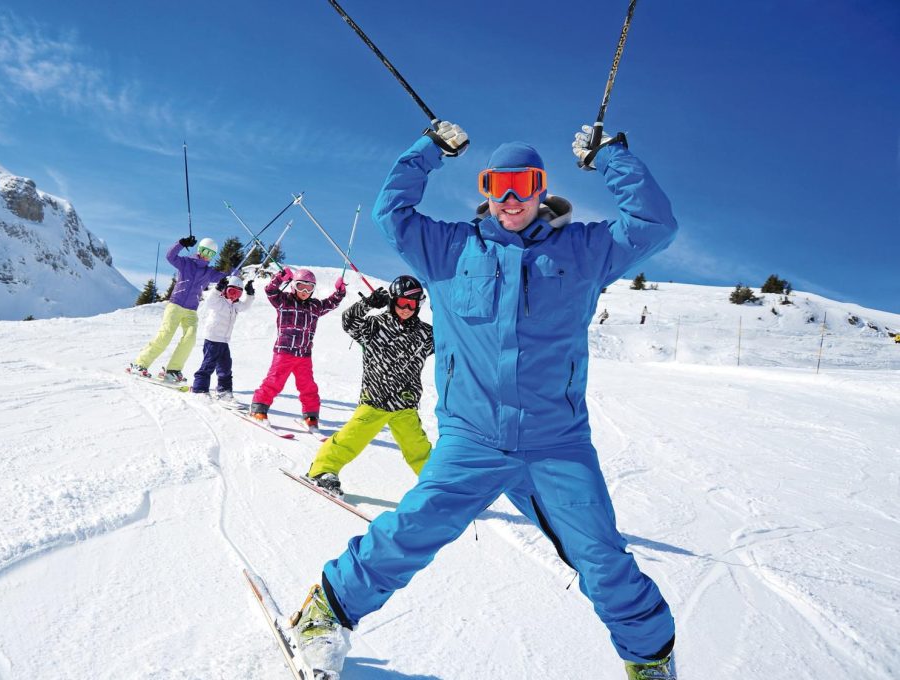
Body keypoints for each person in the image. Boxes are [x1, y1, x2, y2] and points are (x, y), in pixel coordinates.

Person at [287, 121, 680, 680]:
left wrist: (612, 157)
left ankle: (650, 661)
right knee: (413, 529)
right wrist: (427, 151)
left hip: (557, 443)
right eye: (500, 184)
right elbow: (390, 214)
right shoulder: (449, 248)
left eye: (525, 183)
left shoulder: (585, 250)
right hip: (472, 438)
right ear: (486, 188)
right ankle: (324, 612)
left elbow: (654, 224)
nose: (512, 198)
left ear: (543, 188)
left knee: (602, 558)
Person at [305, 275, 434, 497]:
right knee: (351, 438)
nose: (405, 309)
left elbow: (452, 344)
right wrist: (368, 304)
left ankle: (440, 486)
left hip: (405, 404)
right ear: (392, 301)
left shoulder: (425, 334)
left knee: (419, 449)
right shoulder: (375, 326)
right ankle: (323, 470)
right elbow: (348, 321)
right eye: (401, 303)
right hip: (376, 398)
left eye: (411, 304)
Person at [249, 267, 346, 428]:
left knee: (308, 386)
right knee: (274, 381)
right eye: (301, 286)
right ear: (294, 286)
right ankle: (258, 408)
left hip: (304, 355)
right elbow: (270, 290)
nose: (305, 291)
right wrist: (279, 278)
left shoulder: (315, 306)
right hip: (284, 352)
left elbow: (331, 303)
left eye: (309, 288)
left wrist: (340, 292)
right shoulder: (284, 300)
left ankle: (311, 415)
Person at [129, 236, 219, 382]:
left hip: (191, 310)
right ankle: (139, 364)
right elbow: (170, 256)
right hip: (175, 305)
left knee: (190, 339)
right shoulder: (186, 263)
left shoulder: (209, 272)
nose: (206, 256)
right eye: (204, 251)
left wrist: (234, 267)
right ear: (199, 250)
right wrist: (181, 244)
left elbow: (226, 276)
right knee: (165, 336)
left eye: (211, 254)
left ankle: (172, 370)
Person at [190, 275, 256, 404]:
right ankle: (199, 389)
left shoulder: (235, 305)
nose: (233, 296)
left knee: (225, 368)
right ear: (225, 290)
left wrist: (250, 294)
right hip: (212, 339)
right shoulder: (218, 301)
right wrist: (217, 289)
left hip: (224, 341)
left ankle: (224, 390)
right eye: (231, 291)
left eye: (238, 294)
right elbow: (210, 301)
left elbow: (246, 306)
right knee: (208, 365)